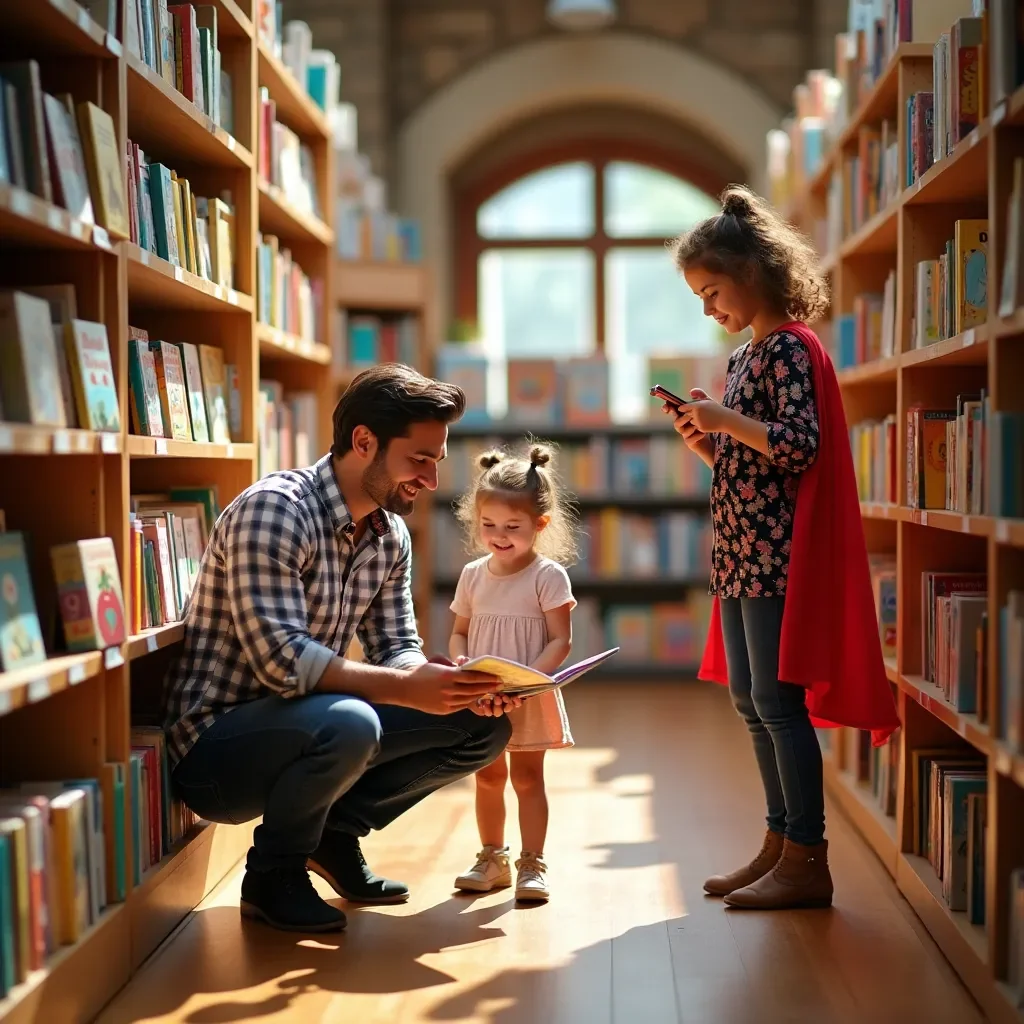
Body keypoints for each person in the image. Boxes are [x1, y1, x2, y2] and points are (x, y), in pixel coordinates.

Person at [163, 363, 512, 933]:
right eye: (418, 459)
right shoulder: (275, 509)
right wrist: (408, 687)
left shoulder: (388, 533)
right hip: (215, 751)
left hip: (303, 723)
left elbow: (395, 645)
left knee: (481, 724)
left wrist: (446, 682)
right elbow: (282, 664)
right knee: (350, 723)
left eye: (435, 462)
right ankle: (273, 875)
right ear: (364, 441)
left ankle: (332, 835)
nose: (429, 480)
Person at [662, 185, 899, 910]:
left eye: (712, 291)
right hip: (740, 552)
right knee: (749, 699)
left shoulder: (789, 351)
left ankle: (807, 855)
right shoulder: (747, 357)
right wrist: (710, 441)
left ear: (752, 273)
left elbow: (798, 449)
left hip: (775, 557)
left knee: (777, 701)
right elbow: (753, 465)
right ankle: (778, 841)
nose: (708, 308)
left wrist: (728, 422)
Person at [448, 444, 578, 903]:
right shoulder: (472, 575)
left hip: (526, 692)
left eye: (512, 527)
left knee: (527, 779)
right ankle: (492, 858)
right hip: (483, 693)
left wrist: (525, 680)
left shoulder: (548, 577)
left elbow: (561, 640)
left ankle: (532, 863)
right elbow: (459, 634)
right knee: (486, 777)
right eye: (488, 525)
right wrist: (463, 663)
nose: (498, 536)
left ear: (539, 524)